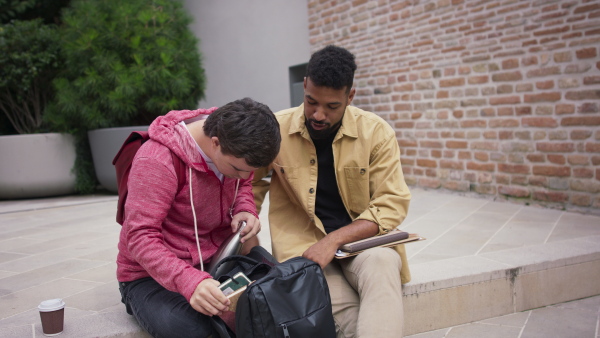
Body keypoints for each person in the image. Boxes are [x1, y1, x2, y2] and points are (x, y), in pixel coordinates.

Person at [252, 45, 411, 337]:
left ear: (350, 96)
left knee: (385, 262)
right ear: (304, 85)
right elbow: (247, 181)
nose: (319, 114)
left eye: (332, 106)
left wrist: (335, 239)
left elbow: (391, 204)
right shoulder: (276, 128)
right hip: (304, 252)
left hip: (363, 244)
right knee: (348, 319)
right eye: (311, 101)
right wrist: (247, 227)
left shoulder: (376, 133)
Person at [117, 97, 281, 338]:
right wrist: (190, 282)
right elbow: (140, 236)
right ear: (215, 143)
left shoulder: (237, 143)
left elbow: (243, 184)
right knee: (194, 329)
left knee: (283, 287)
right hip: (149, 277)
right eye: (238, 169)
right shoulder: (156, 159)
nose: (246, 176)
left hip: (218, 258)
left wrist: (245, 208)